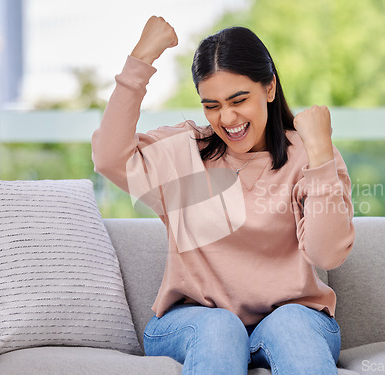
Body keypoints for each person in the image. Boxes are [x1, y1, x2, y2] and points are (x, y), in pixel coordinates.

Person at [92, 15, 355, 375]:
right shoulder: (185, 152)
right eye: (211, 105)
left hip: (292, 318)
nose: (227, 117)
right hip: (195, 321)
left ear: (269, 89)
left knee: (292, 323)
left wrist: (322, 155)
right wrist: (141, 58)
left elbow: (327, 253)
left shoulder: (309, 154)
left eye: (238, 99)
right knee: (221, 326)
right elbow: (109, 158)